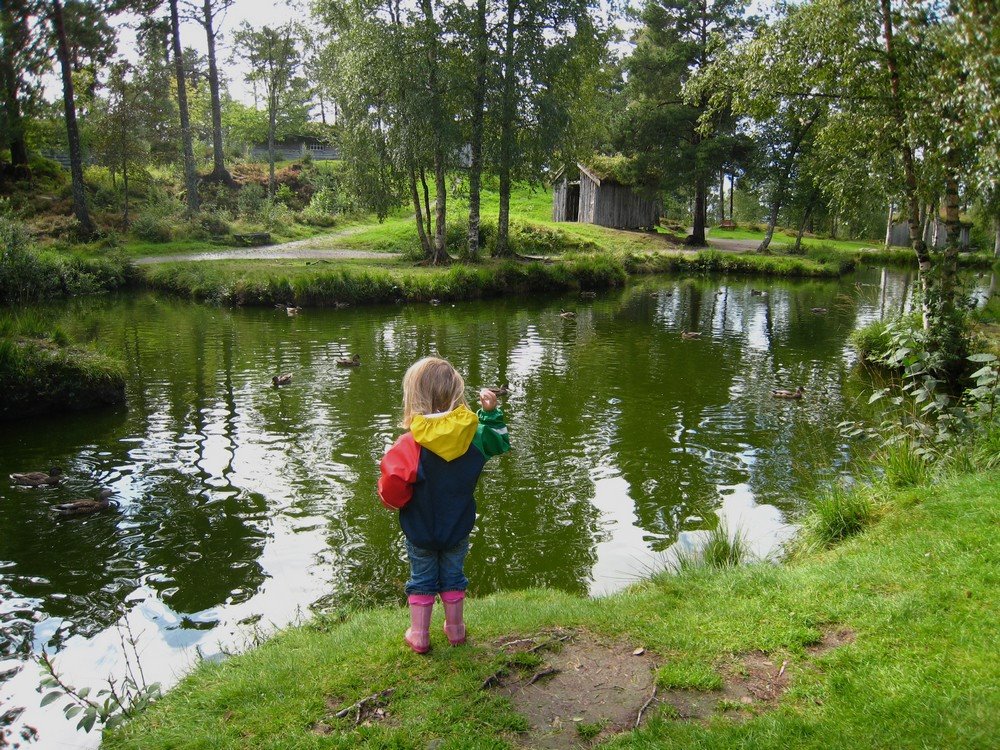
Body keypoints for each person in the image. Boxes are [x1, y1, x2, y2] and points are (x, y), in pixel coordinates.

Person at [378, 357, 511, 654]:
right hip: (458, 526)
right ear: (456, 393)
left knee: (422, 580)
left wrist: (391, 493)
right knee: (453, 576)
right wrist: (491, 415)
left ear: (414, 397)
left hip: (420, 528)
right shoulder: (474, 435)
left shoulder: (409, 443)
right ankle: (455, 630)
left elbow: (392, 491)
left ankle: (420, 635)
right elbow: (499, 443)